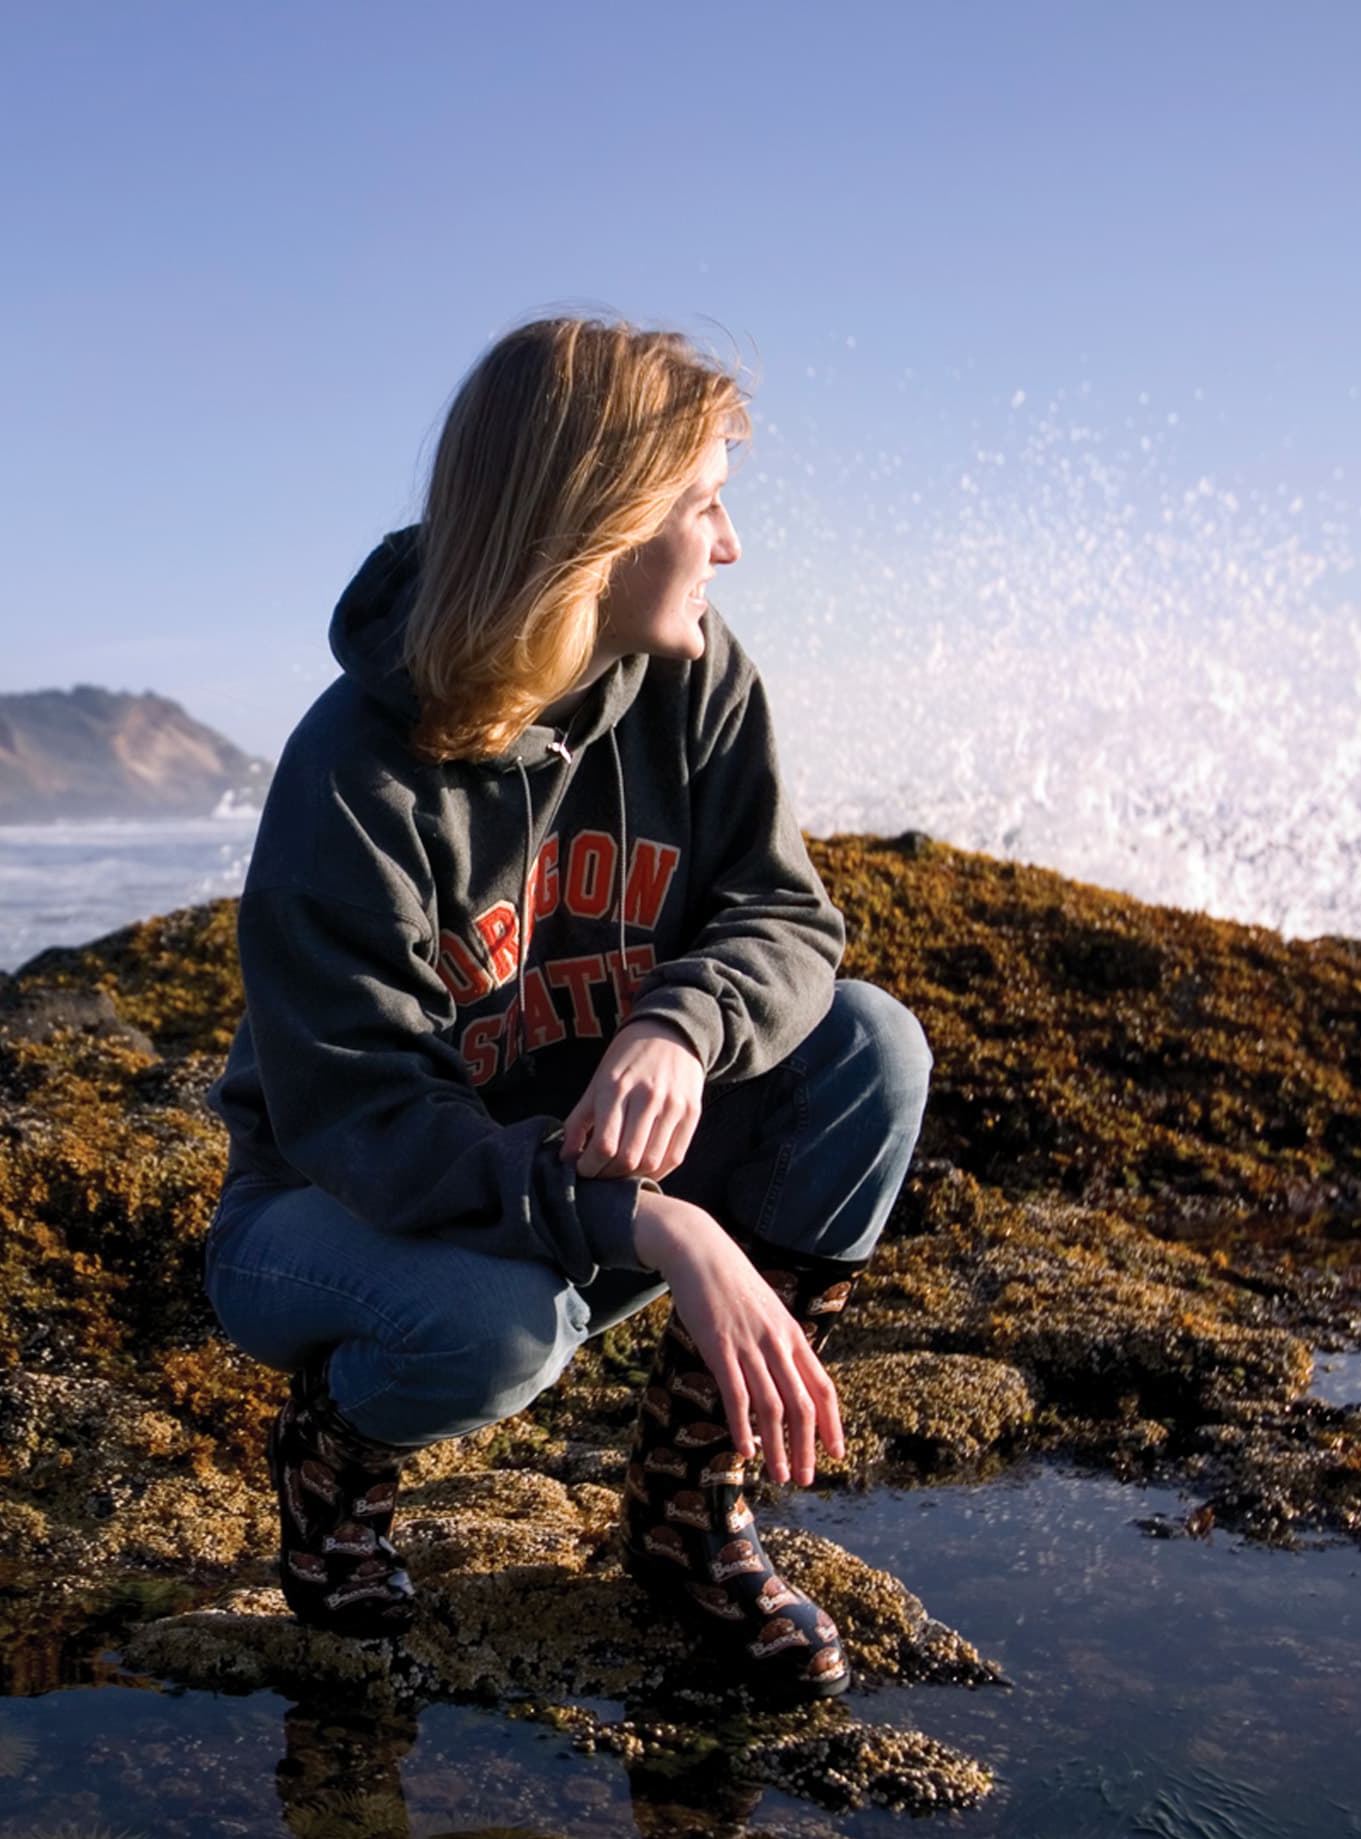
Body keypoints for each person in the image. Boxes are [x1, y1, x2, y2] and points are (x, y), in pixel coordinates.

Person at [204, 315, 930, 1699]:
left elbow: (786, 917)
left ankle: (679, 1516)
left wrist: (679, 1023)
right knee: (502, 1327)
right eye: (705, 505)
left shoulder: (696, 678)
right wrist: (652, 1223)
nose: (730, 546)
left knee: (869, 1050)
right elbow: (368, 1124)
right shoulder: (353, 776)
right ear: (597, 523)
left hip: (568, 1185)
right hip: (335, 1220)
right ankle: (335, 1451)